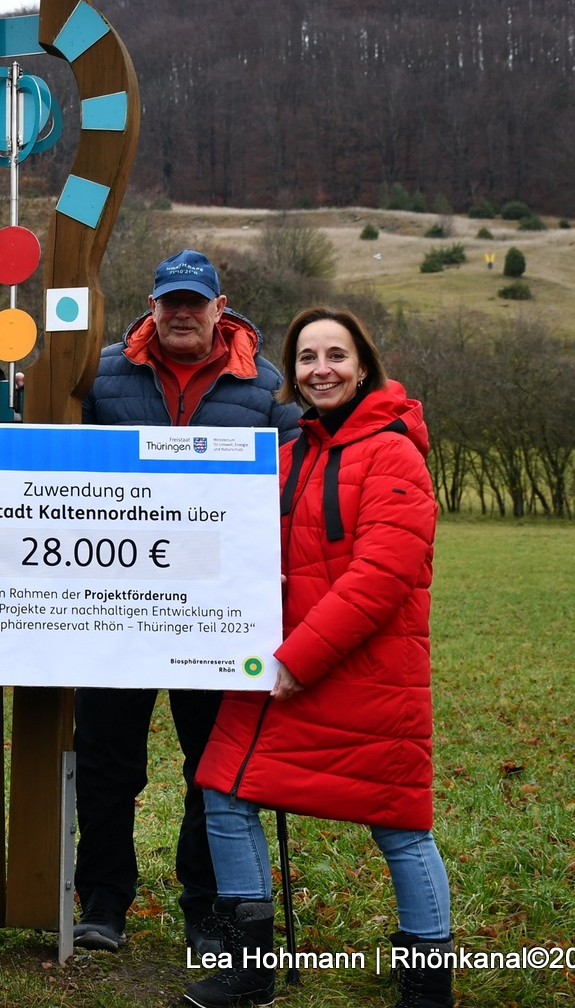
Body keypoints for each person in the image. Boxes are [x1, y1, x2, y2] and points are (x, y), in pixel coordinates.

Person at [184, 307, 451, 1008]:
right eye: (307, 357)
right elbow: (243, 547)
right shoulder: (291, 450)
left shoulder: (394, 452)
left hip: (359, 673)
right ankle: (251, 966)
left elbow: (381, 576)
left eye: (336, 354)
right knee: (223, 786)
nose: (321, 368)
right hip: (281, 670)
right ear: (293, 371)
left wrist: (294, 661)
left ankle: (428, 984)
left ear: (363, 365)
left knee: (398, 821)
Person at [75, 249, 301, 953]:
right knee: (107, 760)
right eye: (168, 300)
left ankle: (204, 904)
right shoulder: (102, 373)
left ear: (219, 306)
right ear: (151, 304)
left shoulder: (267, 388)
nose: (179, 313)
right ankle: (103, 899)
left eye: (193, 302)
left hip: (217, 610)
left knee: (213, 762)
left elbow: (290, 492)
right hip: (116, 605)